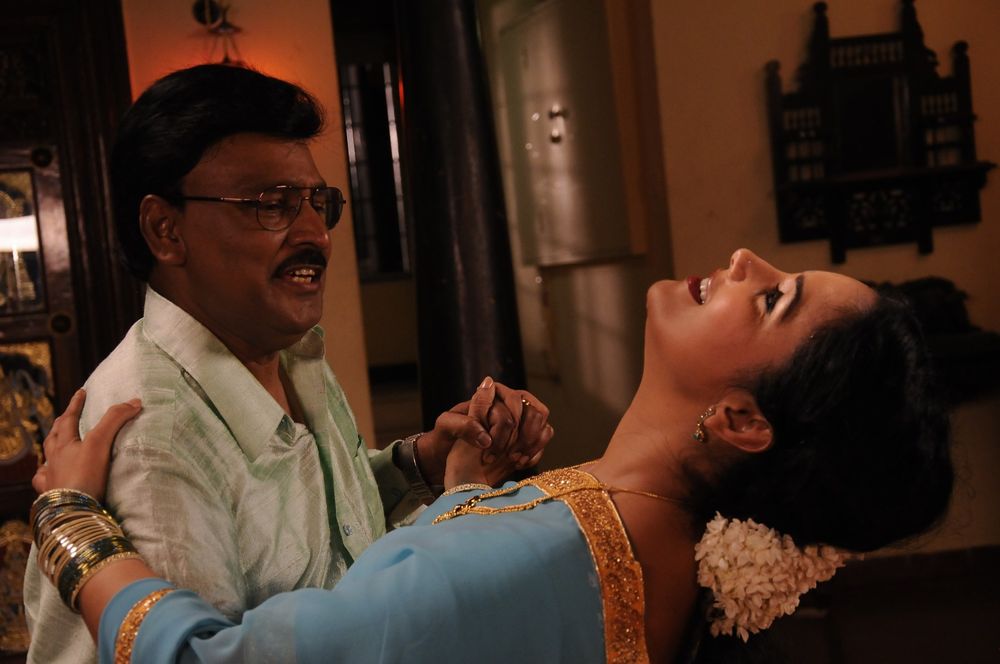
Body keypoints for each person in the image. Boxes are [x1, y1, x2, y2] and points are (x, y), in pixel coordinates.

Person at [32, 249, 953, 663]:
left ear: (744, 420)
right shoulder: (660, 545)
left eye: (773, 300)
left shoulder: (540, 557)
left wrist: (70, 525)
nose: (746, 259)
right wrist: (459, 490)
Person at [22, 64, 553, 664]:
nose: (316, 235)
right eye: (272, 205)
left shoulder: (284, 350)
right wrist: (462, 501)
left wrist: (421, 464)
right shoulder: (153, 439)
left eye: (318, 203)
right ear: (165, 230)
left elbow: (317, 537)